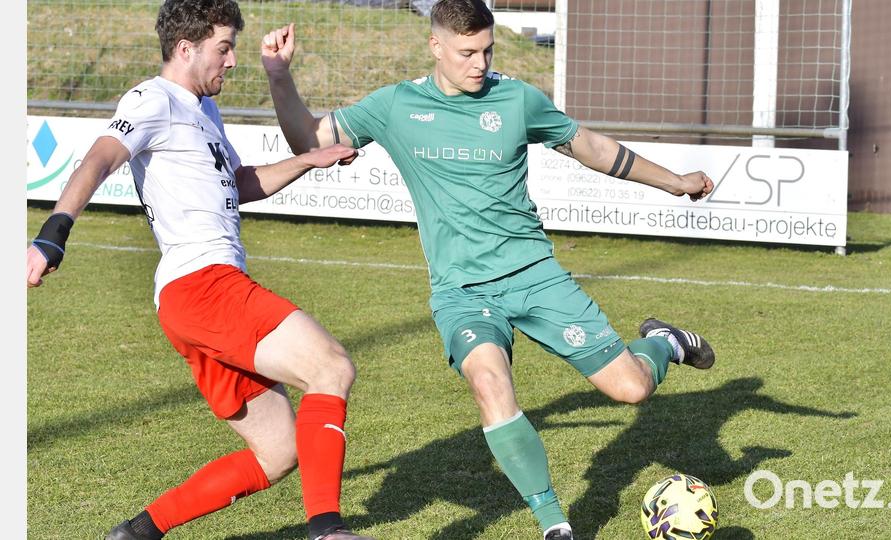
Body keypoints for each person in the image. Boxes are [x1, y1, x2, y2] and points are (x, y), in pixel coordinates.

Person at [260, 1, 716, 538]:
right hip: (462, 291)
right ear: (435, 46)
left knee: (632, 389)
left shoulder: (518, 99)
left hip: (534, 275)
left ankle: (662, 343)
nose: (480, 63)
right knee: (489, 382)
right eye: (467, 52)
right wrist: (279, 75)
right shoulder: (396, 107)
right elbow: (308, 141)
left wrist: (676, 182)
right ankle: (554, 524)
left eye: (487, 50)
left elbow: (591, 147)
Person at [26, 1, 374, 539]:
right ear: (185, 49)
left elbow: (240, 184)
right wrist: (53, 236)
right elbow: (98, 158)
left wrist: (307, 161)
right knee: (330, 367)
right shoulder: (152, 98)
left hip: (192, 298)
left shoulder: (201, 110)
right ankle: (327, 528)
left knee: (279, 452)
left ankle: (140, 532)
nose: (232, 61)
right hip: (204, 284)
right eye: (224, 47)